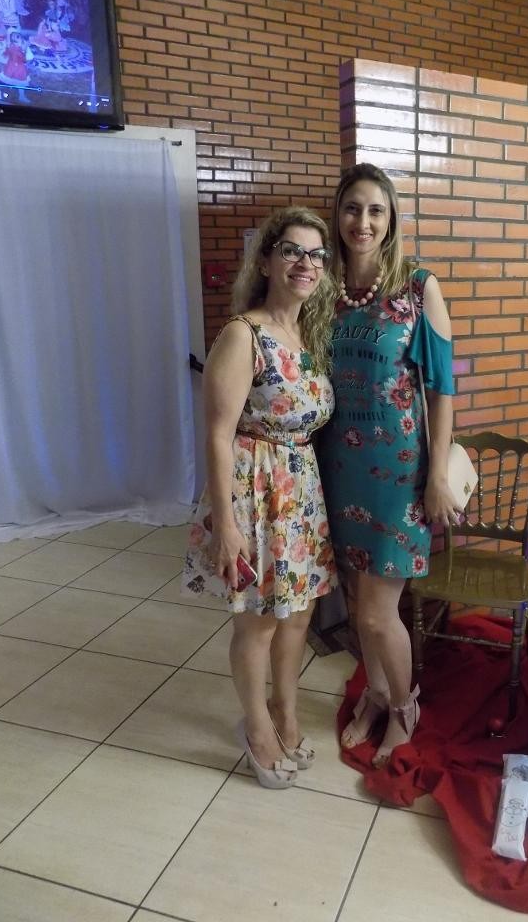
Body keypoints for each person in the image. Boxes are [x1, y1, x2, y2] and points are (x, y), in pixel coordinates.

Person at [183, 206, 338, 789]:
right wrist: (226, 525)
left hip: (301, 491)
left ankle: (285, 713)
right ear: (268, 260)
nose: (305, 263)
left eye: (316, 254)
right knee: (259, 622)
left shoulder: (308, 334)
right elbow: (217, 436)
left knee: (298, 615)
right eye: (292, 250)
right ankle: (256, 728)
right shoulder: (242, 334)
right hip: (254, 490)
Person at [317, 163, 460, 767]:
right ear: (338, 215)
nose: (363, 221)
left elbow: (442, 389)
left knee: (379, 613)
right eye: (353, 208)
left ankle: (405, 707)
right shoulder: (322, 290)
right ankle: (375, 694)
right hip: (334, 466)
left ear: (392, 219)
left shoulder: (418, 287)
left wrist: (438, 476)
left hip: (398, 473)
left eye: (376, 210)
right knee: (357, 603)